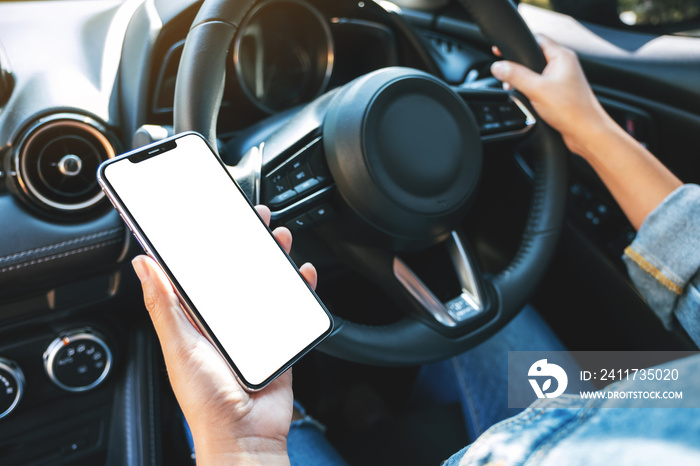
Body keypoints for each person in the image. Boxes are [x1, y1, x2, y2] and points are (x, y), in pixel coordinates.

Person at [131, 35, 700, 465]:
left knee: (221, 388)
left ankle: (318, 421)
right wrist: (590, 128)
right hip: (613, 412)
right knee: (486, 313)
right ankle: (374, 414)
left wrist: (241, 445)